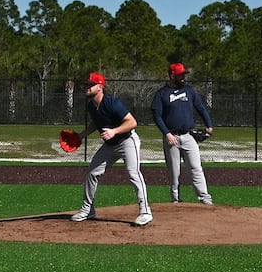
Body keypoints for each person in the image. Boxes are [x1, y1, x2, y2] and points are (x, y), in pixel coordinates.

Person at [70, 72, 153, 226]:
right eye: (86, 85)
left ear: (100, 87)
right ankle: (88, 210)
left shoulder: (112, 103)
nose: (86, 88)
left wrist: (114, 131)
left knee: (133, 173)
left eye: (90, 85)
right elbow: (97, 123)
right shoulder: (91, 105)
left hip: (127, 140)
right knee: (91, 173)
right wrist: (82, 135)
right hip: (110, 145)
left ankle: (145, 211)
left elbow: (132, 122)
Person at [150, 62, 214, 204]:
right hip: (172, 137)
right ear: (172, 75)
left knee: (196, 168)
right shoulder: (162, 94)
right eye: (180, 75)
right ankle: (176, 199)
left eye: (184, 74)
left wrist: (209, 125)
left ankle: (205, 198)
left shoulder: (189, 90)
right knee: (174, 172)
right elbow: (157, 116)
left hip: (189, 135)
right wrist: (167, 133)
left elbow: (200, 108)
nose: (183, 77)